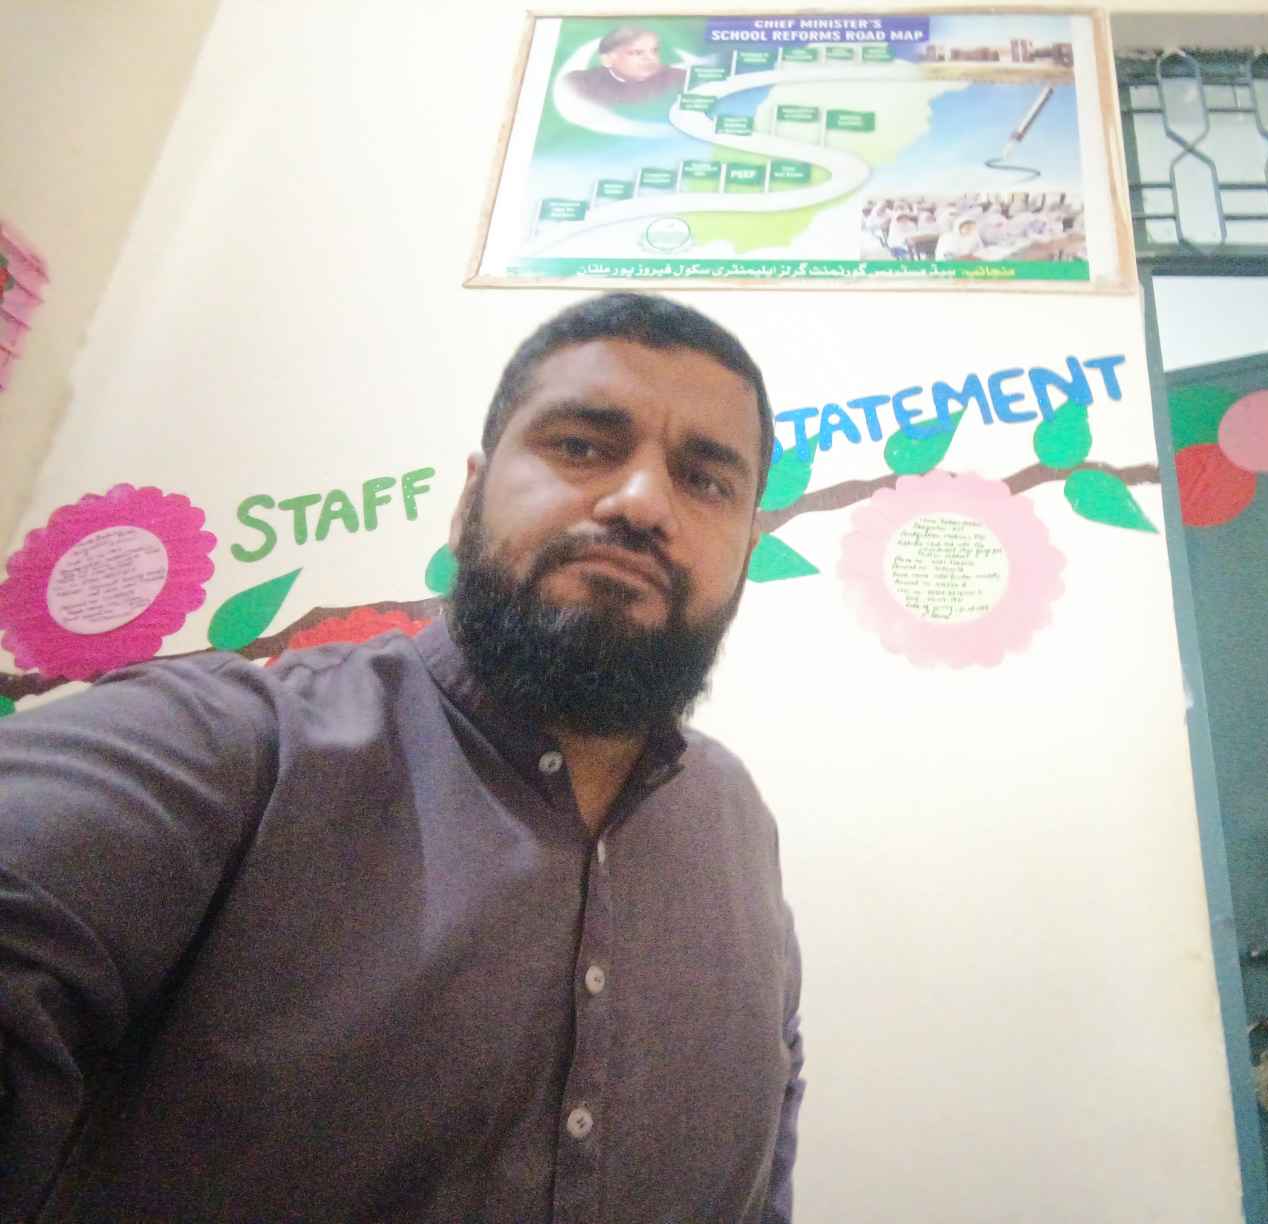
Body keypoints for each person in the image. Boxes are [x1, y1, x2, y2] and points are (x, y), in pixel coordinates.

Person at [0, 293, 805, 1222]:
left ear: (745, 551)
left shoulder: (738, 822)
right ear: (468, 499)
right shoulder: (240, 748)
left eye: (706, 481)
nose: (641, 503)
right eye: (583, 445)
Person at [560, 26, 688, 116]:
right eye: (637, 52)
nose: (651, 58)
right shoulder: (580, 83)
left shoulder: (680, 79)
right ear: (607, 59)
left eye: (654, 51)